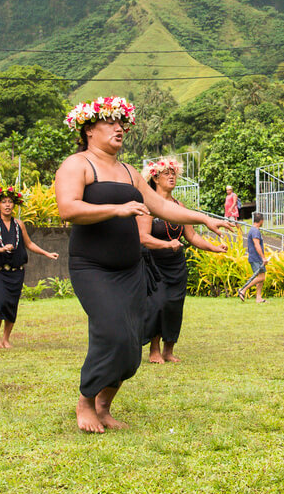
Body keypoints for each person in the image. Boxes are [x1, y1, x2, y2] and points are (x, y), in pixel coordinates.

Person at [55, 97, 234, 433]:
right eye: (110, 123)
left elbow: (163, 208)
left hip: (131, 270)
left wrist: (204, 219)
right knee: (111, 332)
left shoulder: (129, 172)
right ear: (89, 129)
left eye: (122, 123)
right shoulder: (76, 165)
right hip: (93, 268)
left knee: (131, 342)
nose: (119, 128)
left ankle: (104, 408)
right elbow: (68, 208)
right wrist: (118, 209)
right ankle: (85, 402)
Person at [138, 158, 227, 363]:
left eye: (173, 173)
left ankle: (169, 350)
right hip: (154, 264)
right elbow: (143, 236)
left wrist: (214, 247)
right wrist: (166, 245)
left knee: (174, 306)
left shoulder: (179, 206)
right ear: (155, 177)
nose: (171, 176)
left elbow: (192, 237)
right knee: (158, 304)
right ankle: (154, 350)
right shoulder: (148, 205)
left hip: (176, 265)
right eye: (166, 173)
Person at [0, 186, 58, 349]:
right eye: (4, 202)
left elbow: (29, 244)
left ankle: (6, 339)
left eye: (10, 202)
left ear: (14, 205)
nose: (7, 205)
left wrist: (46, 253)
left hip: (16, 273)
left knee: (11, 304)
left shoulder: (19, 224)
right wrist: (1, 249)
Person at [237, 213, 269, 302]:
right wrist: (263, 257)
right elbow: (257, 245)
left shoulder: (253, 230)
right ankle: (243, 290)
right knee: (261, 278)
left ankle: (258, 298)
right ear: (261, 221)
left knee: (261, 278)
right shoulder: (255, 231)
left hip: (256, 258)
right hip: (256, 258)